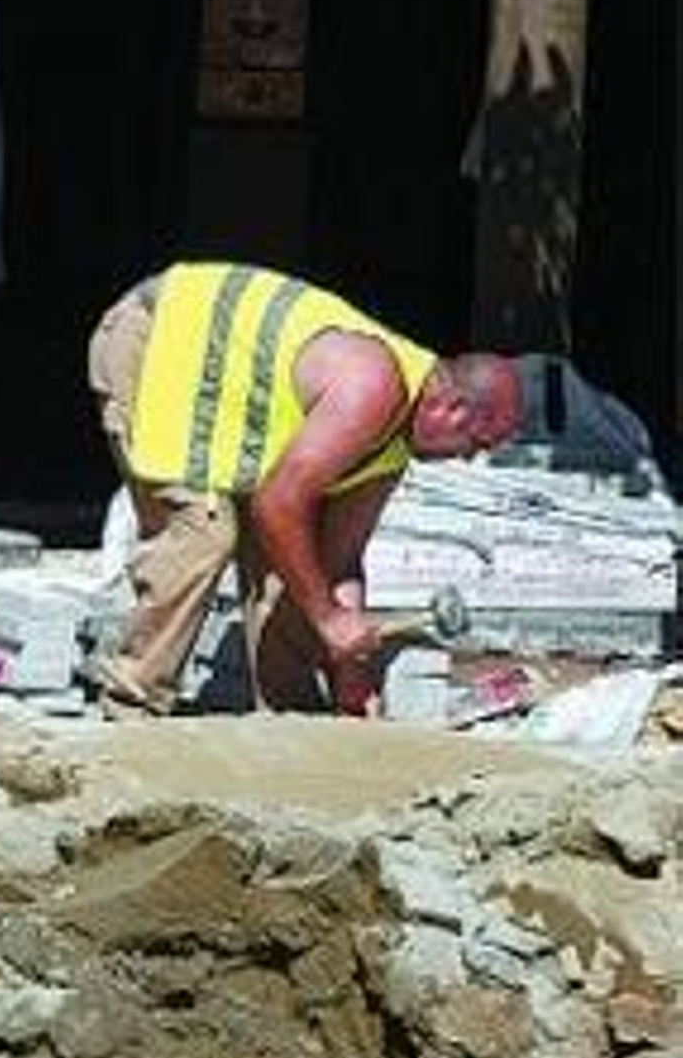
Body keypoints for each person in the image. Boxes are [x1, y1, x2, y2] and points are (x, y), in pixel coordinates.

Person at [87, 260, 524, 717]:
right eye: (476, 442)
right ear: (452, 408)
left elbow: (339, 562)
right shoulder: (373, 385)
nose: (471, 458)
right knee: (203, 533)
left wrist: (351, 675)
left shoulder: (396, 445)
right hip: (159, 340)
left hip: (217, 395)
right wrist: (329, 620)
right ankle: (129, 710)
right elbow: (277, 504)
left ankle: (292, 722)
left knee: (299, 560)